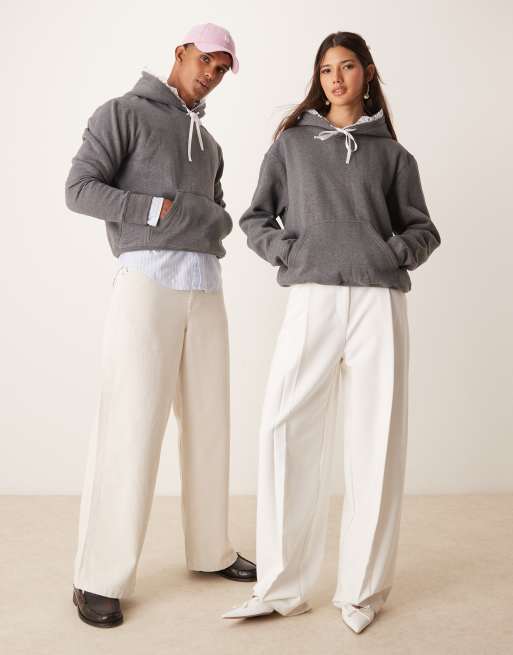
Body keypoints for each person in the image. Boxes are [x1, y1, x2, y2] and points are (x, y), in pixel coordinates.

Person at [221, 31, 441, 634]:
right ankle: (281, 588)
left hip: (378, 302)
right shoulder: (292, 145)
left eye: (346, 67)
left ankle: (362, 592)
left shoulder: (393, 155)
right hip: (312, 297)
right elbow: (255, 217)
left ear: (367, 74)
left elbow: (423, 229)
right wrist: (289, 254)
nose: (335, 78)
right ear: (317, 79)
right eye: (325, 69)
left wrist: (391, 254)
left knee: (376, 441)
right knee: (283, 430)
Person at [65, 22, 256, 629]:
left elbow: (217, 210)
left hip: (206, 284)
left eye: (221, 70)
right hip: (147, 281)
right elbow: (79, 189)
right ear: (180, 52)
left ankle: (210, 550)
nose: (211, 75)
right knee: (130, 425)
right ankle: (97, 577)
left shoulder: (211, 142)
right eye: (206, 61)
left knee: (210, 423)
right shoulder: (122, 113)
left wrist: (211, 220)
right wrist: (155, 208)